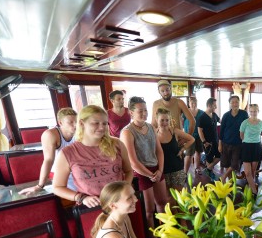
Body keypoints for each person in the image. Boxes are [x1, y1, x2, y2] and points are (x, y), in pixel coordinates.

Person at [53, 105, 133, 208]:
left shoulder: (117, 144)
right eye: (95, 123)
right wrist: (81, 197)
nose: (101, 127)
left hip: (119, 204)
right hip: (91, 207)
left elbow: (128, 171)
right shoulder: (68, 153)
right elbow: (58, 187)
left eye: (104, 123)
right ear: (82, 123)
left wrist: (123, 189)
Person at [120, 97, 170, 229]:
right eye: (140, 111)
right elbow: (132, 161)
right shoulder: (127, 132)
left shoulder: (151, 127)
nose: (144, 113)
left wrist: (159, 170)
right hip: (141, 172)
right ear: (131, 113)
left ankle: (165, 232)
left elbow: (159, 151)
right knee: (149, 210)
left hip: (156, 169)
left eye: (146, 110)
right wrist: (150, 174)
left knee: (162, 202)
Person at [19, 108, 77, 195]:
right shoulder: (50, 135)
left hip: (78, 171)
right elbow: (48, 160)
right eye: (70, 122)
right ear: (60, 123)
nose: (75, 125)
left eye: (76, 121)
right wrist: (40, 186)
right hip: (59, 174)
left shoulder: (81, 132)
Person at [156, 107, 194, 191]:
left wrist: (182, 149)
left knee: (179, 196)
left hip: (177, 168)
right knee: (167, 197)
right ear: (157, 120)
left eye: (167, 120)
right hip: (162, 170)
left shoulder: (174, 131)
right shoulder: (154, 133)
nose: (165, 123)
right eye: (162, 120)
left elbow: (191, 139)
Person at [218, 95, 248, 182]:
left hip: (238, 144)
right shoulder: (226, 115)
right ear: (230, 104)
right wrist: (220, 144)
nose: (235, 104)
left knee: (235, 164)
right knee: (226, 164)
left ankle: (223, 177)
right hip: (226, 143)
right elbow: (222, 131)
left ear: (239, 103)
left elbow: (247, 127)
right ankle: (230, 182)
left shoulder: (244, 114)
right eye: (233, 102)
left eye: (236, 102)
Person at [239, 104, 262, 194]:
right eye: (251, 111)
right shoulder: (244, 123)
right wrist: (247, 141)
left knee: (253, 171)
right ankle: (254, 191)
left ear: (258, 111)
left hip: (256, 147)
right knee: (248, 173)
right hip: (246, 146)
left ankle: (250, 186)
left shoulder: (261, 123)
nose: (253, 113)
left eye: (255, 111)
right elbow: (241, 136)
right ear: (249, 112)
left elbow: (259, 135)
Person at [198, 98, 220, 180]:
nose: (216, 107)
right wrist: (204, 142)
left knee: (219, 156)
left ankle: (207, 170)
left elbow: (220, 121)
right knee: (209, 159)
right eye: (214, 105)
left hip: (215, 140)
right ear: (209, 106)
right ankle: (210, 176)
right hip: (207, 142)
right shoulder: (202, 117)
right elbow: (200, 130)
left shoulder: (214, 114)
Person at [182, 96, 204, 174]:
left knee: (198, 152)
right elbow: (181, 122)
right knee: (189, 154)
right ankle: (185, 172)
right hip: (189, 136)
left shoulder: (201, 112)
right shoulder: (185, 111)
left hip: (199, 135)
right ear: (189, 103)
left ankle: (197, 168)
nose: (193, 104)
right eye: (192, 103)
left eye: (195, 103)